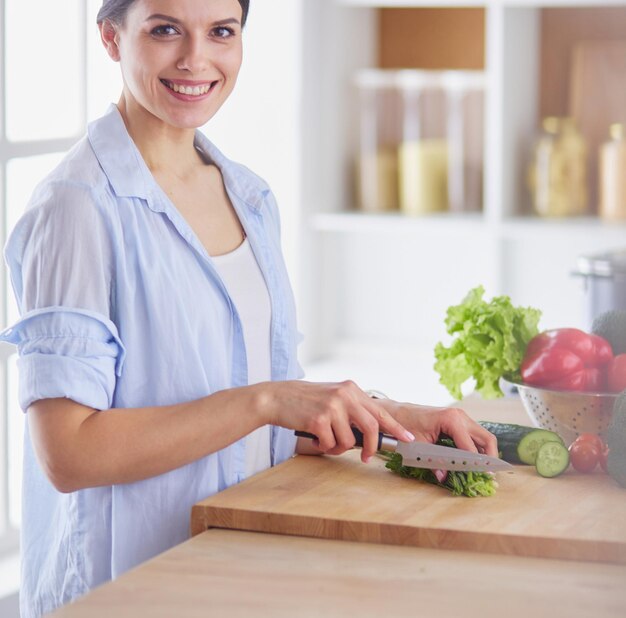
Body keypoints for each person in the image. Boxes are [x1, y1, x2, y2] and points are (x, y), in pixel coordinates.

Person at [0, 1, 497, 616]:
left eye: (221, 32)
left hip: (235, 565)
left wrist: (386, 419)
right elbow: (69, 454)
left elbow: (237, 417)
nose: (196, 59)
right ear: (110, 38)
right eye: (164, 30)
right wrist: (266, 399)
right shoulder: (76, 208)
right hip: (127, 588)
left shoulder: (249, 196)